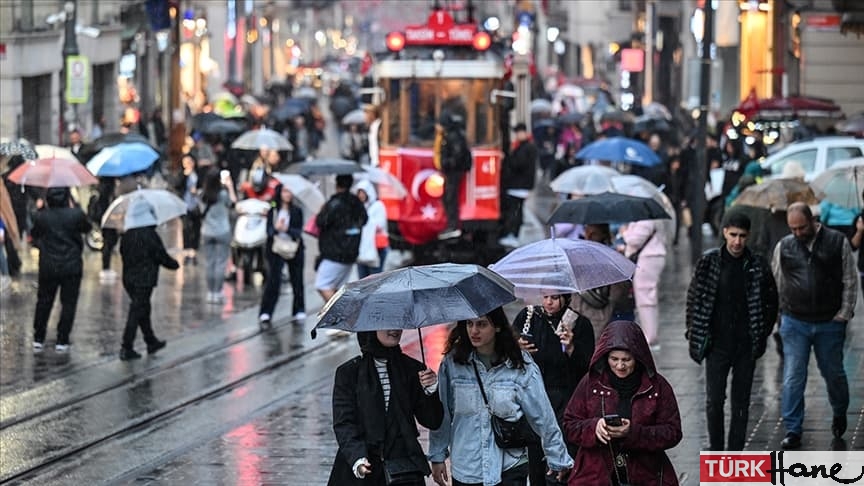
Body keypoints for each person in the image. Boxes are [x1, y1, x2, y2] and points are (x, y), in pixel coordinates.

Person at [429, 306, 574, 486]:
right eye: (469, 324)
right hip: (468, 466)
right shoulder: (453, 364)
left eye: (482, 324)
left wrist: (557, 456)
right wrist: (437, 455)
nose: (474, 331)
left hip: (510, 465)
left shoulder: (520, 365)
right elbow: (442, 415)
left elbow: (543, 416)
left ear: (497, 327)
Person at [686, 210, 778, 451]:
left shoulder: (757, 265)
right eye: (733, 235)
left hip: (746, 344)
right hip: (717, 343)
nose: (738, 241)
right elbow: (694, 298)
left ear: (748, 236)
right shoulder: (709, 262)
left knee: (741, 402)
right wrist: (693, 331)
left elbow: (771, 301)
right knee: (714, 401)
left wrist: (762, 332)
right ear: (724, 232)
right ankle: (716, 450)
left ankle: (735, 452)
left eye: (743, 236)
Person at [771, 202, 857, 449]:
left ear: (812, 221)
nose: (797, 233)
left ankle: (840, 411)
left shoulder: (836, 241)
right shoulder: (784, 246)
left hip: (829, 321)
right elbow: (776, 282)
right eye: (792, 228)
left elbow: (850, 279)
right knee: (793, 376)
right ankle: (793, 428)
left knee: (834, 374)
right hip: (795, 321)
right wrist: (779, 318)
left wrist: (844, 313)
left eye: (801, 227)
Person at [562, 320, 682, 485]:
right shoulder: (590, 383)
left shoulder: (658, 386)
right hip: (596, 476)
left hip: (645, 475)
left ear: (638, 358)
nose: (620, 366)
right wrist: (594, 427)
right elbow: (570, 425)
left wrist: (633, 432)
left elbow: (673, 432)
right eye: (614, 359)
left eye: (626, 360)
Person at [328, 330, 443, 486]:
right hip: (361, 470)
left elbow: (432, 421)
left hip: (403, 470)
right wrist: (357, 458)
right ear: (370, 328)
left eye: (397, 323)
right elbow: (344, 423)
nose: (394, 329)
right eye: (386, 324)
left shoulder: (412, 369)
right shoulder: (349, 372)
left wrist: (430, 390)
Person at [512, 294, 594, 486]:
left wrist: (571, 347)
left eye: (555, 297)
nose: (549, 302)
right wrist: (517, 347)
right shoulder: (527, 317)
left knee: (561, 464)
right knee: (535, 461)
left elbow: (587, 367)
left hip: (565, 399)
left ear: (565, 298)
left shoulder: (579, 323)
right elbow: (507, 354)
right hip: (533, 397)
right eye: (545, 296)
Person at [30, 187, 91, 353]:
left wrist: (41, 209)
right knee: (68, 304)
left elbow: (34, 234)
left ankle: (38, 338)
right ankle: (62, 340)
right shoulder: (76, 215)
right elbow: (87, 228)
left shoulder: (42, 216)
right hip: (71, 266)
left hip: (48, 266)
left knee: (44, 301)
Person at [119, 199, 180, 360]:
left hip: (129, 278)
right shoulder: (149, 234)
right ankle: (127, 346)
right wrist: (174, 264)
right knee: (137, 310)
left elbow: (123, 254)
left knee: (142, 309)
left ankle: (150, 340)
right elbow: (159, 254)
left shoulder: (127, 235)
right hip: (144, 279)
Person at [258, 183, 306, 325]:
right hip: (276, 249)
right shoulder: (273, 210)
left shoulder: (297, 210)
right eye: (285, 191)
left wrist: (287, 229)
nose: (287, 194)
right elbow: (269, 231)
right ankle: (266, 311)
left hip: (293, 248)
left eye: (290, 191)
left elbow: (298, 232)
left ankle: (299, 309)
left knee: (297, 280)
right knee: (273, 280)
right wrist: (276, 228)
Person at [315, 174, 367, 303]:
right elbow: (364, 220)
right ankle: (340, 317)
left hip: (334, 252)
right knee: (338, 288)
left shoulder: (334, 203)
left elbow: (321, 222)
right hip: (350, 251)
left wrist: (323, 210)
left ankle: (339, 315)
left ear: (337, 185)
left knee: (322, 285)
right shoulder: (356, 202)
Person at [621, 218, 668, 350]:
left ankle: (650, 337)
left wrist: (625, 232)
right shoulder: (649, 218)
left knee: (645, 298)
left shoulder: (646, 219)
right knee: (646, 297)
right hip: (650, 257)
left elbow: (634, 240)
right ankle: (649, 335)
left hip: (648, 259)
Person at [199, 168, 237, 304]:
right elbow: (233, 203)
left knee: (210, 263)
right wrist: (230, 186)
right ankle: (218, 291)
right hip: (222, 231)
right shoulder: (223, 194)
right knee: (221, 263)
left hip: (207, 231)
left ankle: (210, 292)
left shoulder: (202, 195)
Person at [499, 123, 538, 248]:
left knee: (515, 211)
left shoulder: (526, 148)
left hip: (518, 185)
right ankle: (513, 234)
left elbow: (518, 164)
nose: (517, 135)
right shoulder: (527, 147)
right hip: (521, 185)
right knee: (517, 210)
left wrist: (507, 158)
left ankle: (513, 234)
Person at [435, 111, 472, 240]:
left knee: (450, 197)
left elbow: (457, 155)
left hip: (454, 172)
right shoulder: (450, 135)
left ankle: (453, 226)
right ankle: (452, 225)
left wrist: (446, 163)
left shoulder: (452, 137)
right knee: (448, 197)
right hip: (452, 171)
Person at [355, 180, 388, 278]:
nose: (361, 195)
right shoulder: (359, 208)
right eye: (359, 192)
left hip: (377, 248)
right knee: (362, 281)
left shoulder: (378, 206)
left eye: (363, 192)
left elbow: (380, 224)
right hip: (362, 249)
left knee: (375, 279)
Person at [180, 153, 201, 265]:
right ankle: (187, 253)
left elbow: (203, 186)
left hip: (196, 205)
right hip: (185, 205)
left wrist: (197, 191)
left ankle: (194, 252)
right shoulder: (182, 174)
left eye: (190, 162)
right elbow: (177, 185)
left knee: (196, 230)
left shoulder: (198, 174)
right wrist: (184, 176)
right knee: (186, 230)